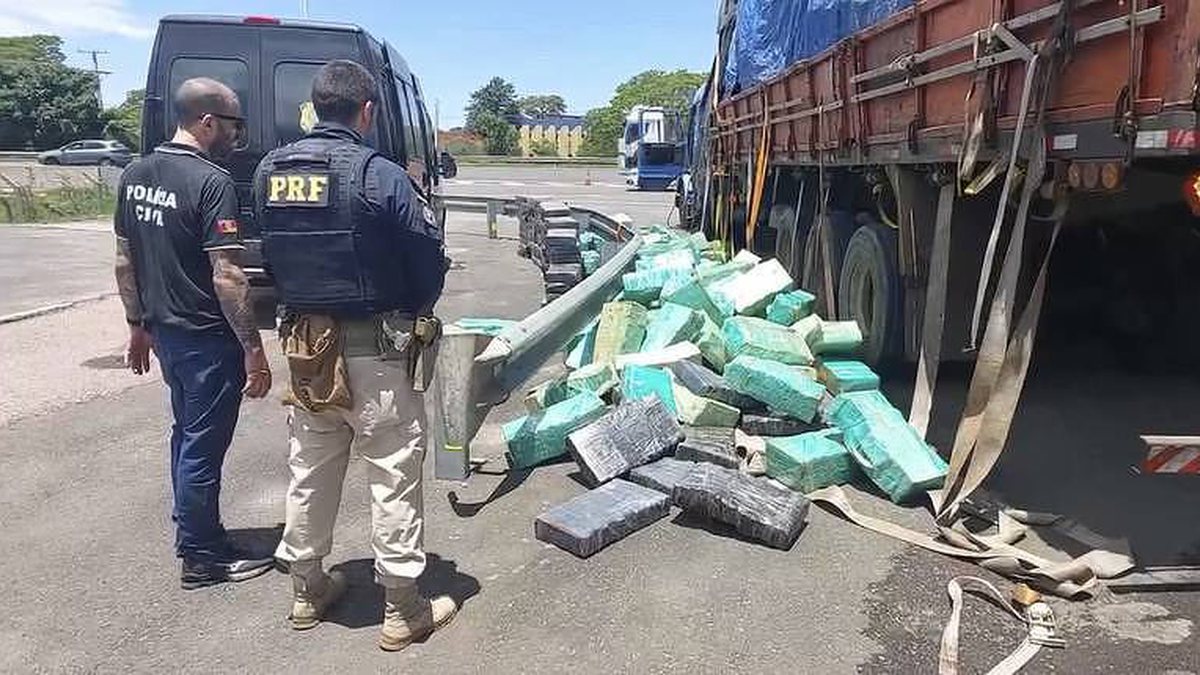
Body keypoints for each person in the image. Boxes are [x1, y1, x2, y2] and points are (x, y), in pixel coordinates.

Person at [254, 60, 451, 650]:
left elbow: (267, 253)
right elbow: (427, 258)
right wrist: (415, 308)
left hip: (306, 352)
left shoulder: (270, 171)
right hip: (377, 354)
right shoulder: (379, 174)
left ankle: (307, 590)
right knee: (392, 474)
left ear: (314, 110)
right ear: (367, 112)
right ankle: (403, 609)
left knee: (309, 471)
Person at [114, 77, 276, 589]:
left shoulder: (135, 173)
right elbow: (228, 277)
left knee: (186, 437)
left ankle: (197, 533)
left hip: (166, 334)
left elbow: (124, 262)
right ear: (208, 122)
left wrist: (137, 325)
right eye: (233, 125)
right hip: (207, 337)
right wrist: (254, 350)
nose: (237, 136)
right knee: (202, 445)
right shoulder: (212, 183)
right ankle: (203, 560)